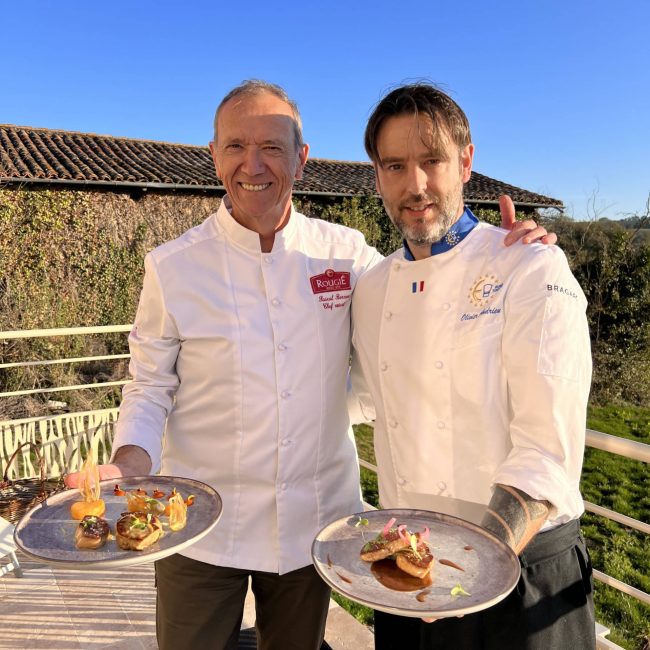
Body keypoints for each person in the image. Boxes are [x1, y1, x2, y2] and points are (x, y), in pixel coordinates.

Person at [65, 80, 554, 650]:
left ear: (301, 158)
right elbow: (149, 385)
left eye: (272, 146)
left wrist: (504, 249)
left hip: (312, 523)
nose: (253, 164)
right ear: (214, 155)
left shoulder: (346, 254)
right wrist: (130, 463)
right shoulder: (172, 267)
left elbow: (425, 284)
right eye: (235, 146)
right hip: (196, 523)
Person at [351, 82, 595, 650]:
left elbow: (547, 452)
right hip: (410, 566)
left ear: (465, 161)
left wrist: (472, 563)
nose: (414, 185)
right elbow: (359, 397)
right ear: (377, 175)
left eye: (431, 160)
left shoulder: (531, 266)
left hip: (521, 571)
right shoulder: (372, 288)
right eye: (394, 165)